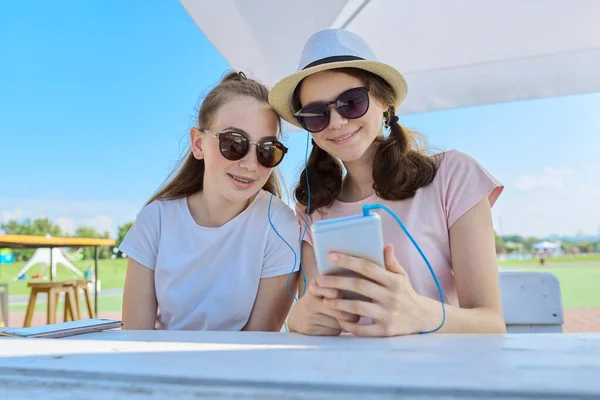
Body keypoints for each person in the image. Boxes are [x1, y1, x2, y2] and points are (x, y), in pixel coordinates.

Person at [268, 29, 505, 336]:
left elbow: (491, 323)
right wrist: (301, 319)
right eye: (315, 114)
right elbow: (317, 313)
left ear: (384, 101)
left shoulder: (453, 174)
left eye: (351, 102)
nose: (337, 122)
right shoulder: (312, 209)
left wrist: (419, 314)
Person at [120, 71, 299, 331]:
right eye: (234, 143)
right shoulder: (155, 219)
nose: (250, 164)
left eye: (266, 150)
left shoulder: (281, 226)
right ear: (198, 143)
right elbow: (136, 336)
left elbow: (259, 342)